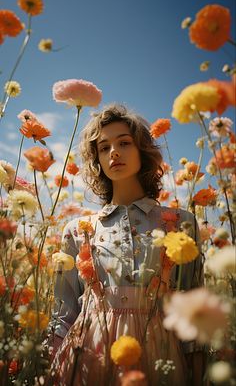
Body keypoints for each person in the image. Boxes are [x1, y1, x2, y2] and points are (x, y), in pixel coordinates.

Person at [47, 104, 204, 386]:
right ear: (96, 159)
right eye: (104, 147)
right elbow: (64, 311)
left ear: (143, 150)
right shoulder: (78, 230)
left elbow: (194, 303)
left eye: (124, 143)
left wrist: (198, 367)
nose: (114, 153)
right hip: (88, 356)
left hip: (160, 354)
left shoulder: (180, 222)